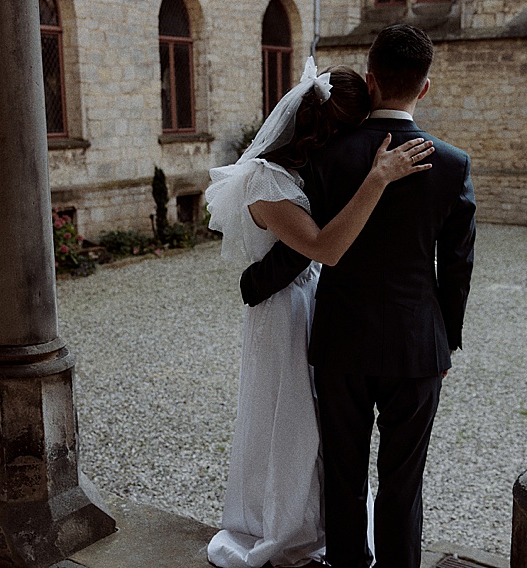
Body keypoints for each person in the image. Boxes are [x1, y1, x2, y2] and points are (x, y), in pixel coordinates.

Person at [239, 25, 477, 568]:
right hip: (418, 347)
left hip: (341, 342)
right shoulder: (453, 163)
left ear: (370, 81)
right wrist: (446, 341)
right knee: (403, 481)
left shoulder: (325, 157)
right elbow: (457, 267)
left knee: (343, 474)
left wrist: (256, 284)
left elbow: (308, 244)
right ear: (425, 88)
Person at [205, 57, 434, 568]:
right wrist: (376, 178)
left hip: (314, 302)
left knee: (324, 428)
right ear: (330, 128)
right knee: (292, 423)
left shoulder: (304, 173)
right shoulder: (266, 181)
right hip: (284, 312)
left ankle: (322, 522)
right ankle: (287, 529)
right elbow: (324, 248)